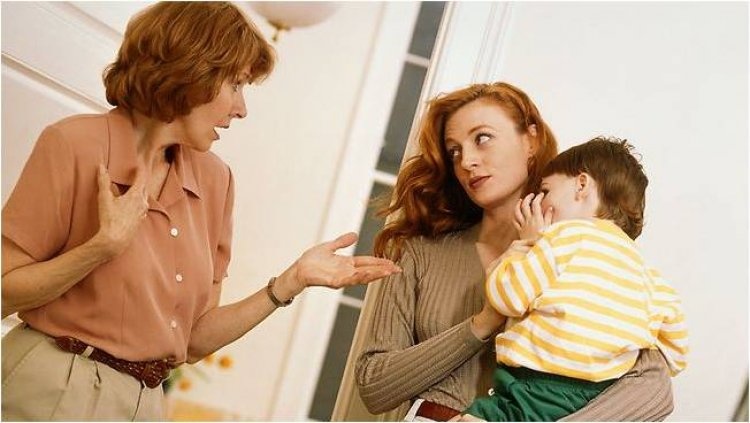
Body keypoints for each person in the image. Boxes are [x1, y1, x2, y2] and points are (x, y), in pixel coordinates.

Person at [1, 2, 400, 421]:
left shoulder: (215, 181)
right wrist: (101, 248)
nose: (241, 108)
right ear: (193, 71)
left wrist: (291, 281)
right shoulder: (74, 145)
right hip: (55, 387)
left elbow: (192, 341)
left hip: (146, 403)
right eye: (236, 84)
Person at [355, 82, 676, 421]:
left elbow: (654, 389)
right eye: (454, 152)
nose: (467, 162)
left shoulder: (588, 255)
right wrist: (483, 322)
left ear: (531, 140)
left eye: (482, 138)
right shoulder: (421, 254)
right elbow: (374, 386)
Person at [459, 137, 688, 421]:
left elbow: (509, 297)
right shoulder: (648, 275)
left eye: (545, 191)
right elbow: (676, 354)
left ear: (582, 185)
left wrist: (526, 245)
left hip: (533, 388)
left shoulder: (560, 239)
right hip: (595, 396)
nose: (539, 203)